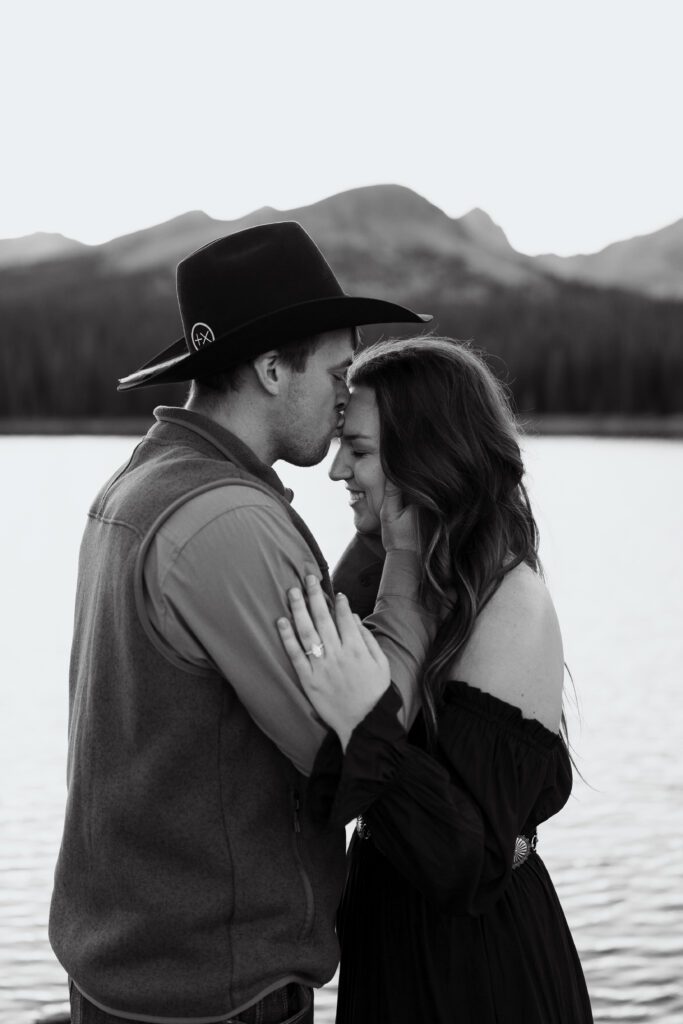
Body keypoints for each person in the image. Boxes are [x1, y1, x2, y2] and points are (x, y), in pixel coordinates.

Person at [48, 222, 436, 1024]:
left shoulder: (141, 486)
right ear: (269, 368)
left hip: (135, 969)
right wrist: (403, 552)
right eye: (336, 369)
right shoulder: (227, 520)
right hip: (217, 988)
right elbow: (351, 751)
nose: (345, 393)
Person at [277, 336, 594, 1023]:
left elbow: (468, 863)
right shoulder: (387, 562)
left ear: (425, 456)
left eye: (357, 450)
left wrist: (364, 721)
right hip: (388, 937)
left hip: (476, 970)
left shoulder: (508, 604)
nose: (336, 471)